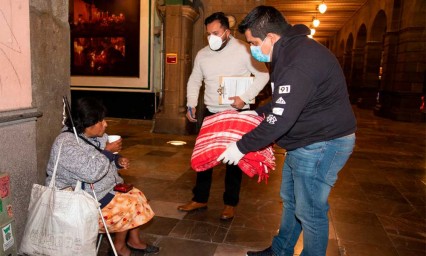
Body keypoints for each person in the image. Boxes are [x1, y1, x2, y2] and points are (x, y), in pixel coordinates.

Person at [217, 6, 357, 256]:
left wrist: (241, 146)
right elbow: (287, 100)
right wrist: (257, 112)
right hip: (307, 140)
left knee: (310, 211)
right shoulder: (290, 52)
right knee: (292, 202)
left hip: (323, 143)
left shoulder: (298, 61)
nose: (252, 49)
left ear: (271, 37)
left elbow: (280, 119)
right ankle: (281, 251)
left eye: (254, 43)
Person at [179, 12, 270, 220]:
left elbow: (263, 75)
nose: (212, 37)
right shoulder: (202, 54)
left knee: (233, 160)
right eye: (208, 34)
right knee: (204, 157)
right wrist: (191, 103)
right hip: (211, 112)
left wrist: (245, 97)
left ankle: (230, 203)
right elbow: (195, 80)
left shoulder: (245, 50)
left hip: (237, 112)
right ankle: (199, 198)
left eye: (216, 32)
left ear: (227, 32)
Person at [45, 97, 159, 256]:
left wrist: (117, 161)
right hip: (80, 202)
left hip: (103, 191)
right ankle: (119, 247)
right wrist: (107, 152)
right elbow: (91, 173)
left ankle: (134, 241)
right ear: (86, 124)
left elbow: (105, 162)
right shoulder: (66, 144)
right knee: (130, 206)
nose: (105, 124)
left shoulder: (98, 137)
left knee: (138, 196)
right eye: (100, 121)